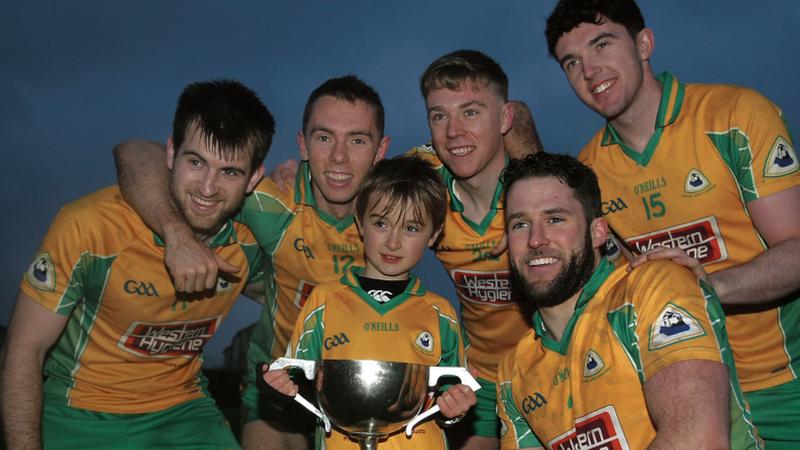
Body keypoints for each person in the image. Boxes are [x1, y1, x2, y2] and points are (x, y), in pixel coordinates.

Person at [544, 0, 800, 445]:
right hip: (684, 399)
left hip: (783, 384)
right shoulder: (588, 173)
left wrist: (709, 287)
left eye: (602, 44)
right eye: (572, 62)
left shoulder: (736, 115)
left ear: (644, 43)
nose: (589, 70)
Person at [112, 75, 389, 449]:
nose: (339, 156)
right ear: (303, 145)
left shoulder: (398, 205)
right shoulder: (272, 201)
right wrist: (177, 235)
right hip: (276, 387)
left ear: (381, 149)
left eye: (357, 140)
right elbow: (134, 152)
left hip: (362, 391)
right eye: (324, 137)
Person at [0, 79, 275, 449]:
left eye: (229, 172)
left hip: (184, 411)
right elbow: (22, 349)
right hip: (80, 412)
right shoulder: (90, 227)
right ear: (170, 153)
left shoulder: (252, 238)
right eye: (196, 162)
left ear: (254, 177)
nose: (208, 189)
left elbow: (291, 293)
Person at [496, 152, 761, 449]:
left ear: (598, 232)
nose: (535, 239)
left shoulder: (652, 288)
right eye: (520, 224)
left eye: (555, 219)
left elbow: (699, 441)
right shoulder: (514, 370)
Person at [260, 155, 476, 450]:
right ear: (360, 222)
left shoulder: (441, 313)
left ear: (433, 234)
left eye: (411, 228)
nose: (393, 242)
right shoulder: (324, 300)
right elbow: (297, 380)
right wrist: (279, 389)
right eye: (381, 223)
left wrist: (454, 409)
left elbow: (453, 392)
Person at [410, 50, 542, 450]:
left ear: (503, 120)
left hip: (548, 368)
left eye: (470, 112)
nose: (453, 132)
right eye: (439, 116)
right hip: (479, 377)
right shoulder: (422, 181)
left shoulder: (545, 193)